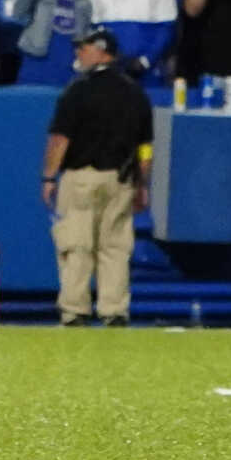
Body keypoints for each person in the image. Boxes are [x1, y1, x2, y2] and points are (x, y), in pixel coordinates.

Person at [42, 30, 154, 325]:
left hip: (82, 178)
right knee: (115, 247)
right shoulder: (135, 93)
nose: (78, 53)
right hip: (121, 180)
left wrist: (49, 177)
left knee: (77, 245)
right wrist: (143, 183)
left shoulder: (78, 91)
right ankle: (114, 310)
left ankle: (75, 310)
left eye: (84, 47)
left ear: (102, 51)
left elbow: (60, 139)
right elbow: (145, 147)